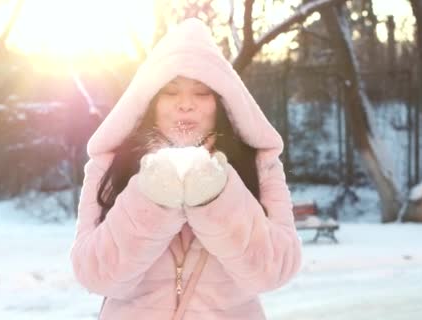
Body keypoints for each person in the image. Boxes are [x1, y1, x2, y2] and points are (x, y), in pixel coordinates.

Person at [70, 18, 302, 320]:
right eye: (170, 91)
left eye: (202, 92)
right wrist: (151, 197)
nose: (185, 104)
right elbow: (95, 275)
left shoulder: (258, 165)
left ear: (221, 102)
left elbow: (274, 272)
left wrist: (216, 197)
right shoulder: (110, 165)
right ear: (150, 101)